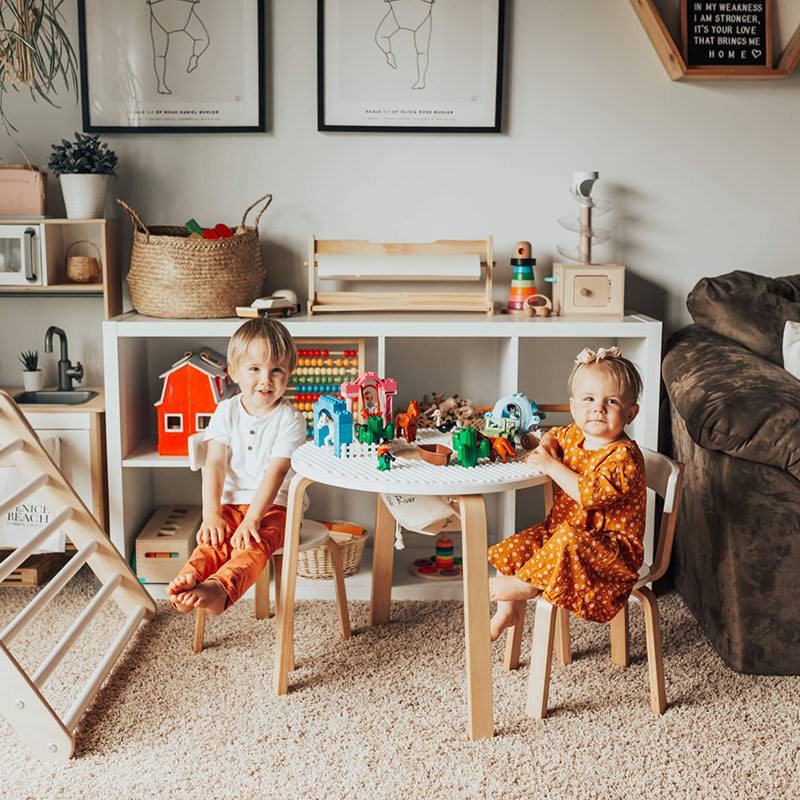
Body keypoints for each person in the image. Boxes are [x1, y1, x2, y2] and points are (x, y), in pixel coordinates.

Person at [488, 346, 646, 641]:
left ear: (630, 413)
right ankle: (507, 612)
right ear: (574, 407)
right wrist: (547, 446)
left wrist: (550, 465)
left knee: (567, 538)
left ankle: (528, 585)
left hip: (610, 552)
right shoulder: (575, 434)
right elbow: (554, 433)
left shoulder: (624, 456)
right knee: (516, 546)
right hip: (565, 534)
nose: (598, 408)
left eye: (611, 401)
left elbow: (591, 495)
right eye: (589, 399)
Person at [167, 318, 306, 615]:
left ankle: (220, 589)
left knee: (251, 548)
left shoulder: (290, 419)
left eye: (276, 370)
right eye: (255, 369)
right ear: (234, 372)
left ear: (288, 373)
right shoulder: (226, 411)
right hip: (230, 502)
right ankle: (189, 579)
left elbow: (276, 473)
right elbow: (215, 463)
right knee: (211, 543)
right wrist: (211, 514)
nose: (265, 380)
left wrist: (252, 519)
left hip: (274, 508)